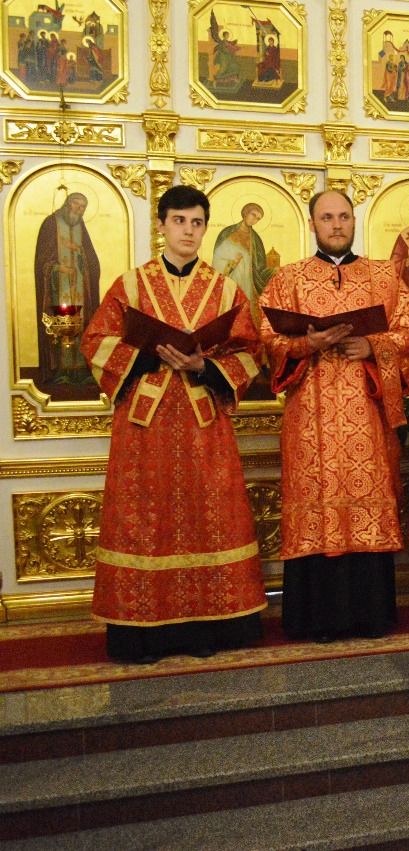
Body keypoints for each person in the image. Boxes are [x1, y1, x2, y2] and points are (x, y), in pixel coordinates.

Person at [80, 185, 265, 663]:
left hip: (204, 423)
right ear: (161, 225)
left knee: (208, 517)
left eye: (197, 222)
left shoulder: (225, 290)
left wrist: (204, 365)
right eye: (179, 221)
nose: (188, 231)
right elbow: (96, 342)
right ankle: (142, 633)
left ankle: (209, 626)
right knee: (145, 519)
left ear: (205, 228)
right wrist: (148, 355)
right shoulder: (130, 286)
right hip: (145, 425)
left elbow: (249, 351)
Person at [258, 190, 409, 642]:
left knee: (366, 499)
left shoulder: (385, 277)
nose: (336, 225)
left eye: (344, 216)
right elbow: (266, 339)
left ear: (353, 221)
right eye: (327, 217)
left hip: (366, 417)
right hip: (309, 418)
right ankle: (317, 619)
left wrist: (372, 345)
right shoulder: (287, 279)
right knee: (315, 503)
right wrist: (306, 344)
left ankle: (370, 616)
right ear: (313, 224)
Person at [35, 191, 100, 385]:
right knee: (59, 326)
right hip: (57, 289)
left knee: (81, 324)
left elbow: (91, 260)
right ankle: (60, 371)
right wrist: (57, 269)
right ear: (67, 204)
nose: (79, 210)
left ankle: (81, 370)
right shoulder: (50, 224)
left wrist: (80, 255)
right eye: (76, 204)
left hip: (79, 288)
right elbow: (42, 261)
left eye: (83, 207)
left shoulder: (81, 227)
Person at [212, 202, 272, 311]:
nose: (254, 220)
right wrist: (232, 263)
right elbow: (217, 259)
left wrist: (273, 272)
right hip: (230, 282)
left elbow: (260, 268)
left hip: (247, 286)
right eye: (253, 215)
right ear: (245, 213)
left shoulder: (256, 240)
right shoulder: (227, 233)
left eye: (258, 219)